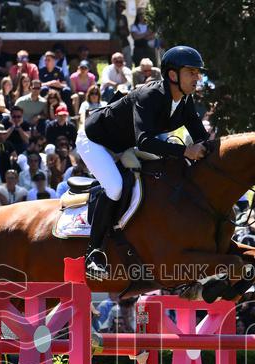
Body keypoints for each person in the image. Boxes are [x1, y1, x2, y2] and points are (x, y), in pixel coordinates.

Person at [78, 46, 211, 280]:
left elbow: (202, 137)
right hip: (96, 141)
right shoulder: (149, 96)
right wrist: (185, 151)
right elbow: (146, 141)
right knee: (116, 187)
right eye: (191, 72)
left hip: (124, 144)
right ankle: (94, 253)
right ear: (173, 75)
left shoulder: (185, 101)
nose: (197, 77)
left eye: (197, 72)